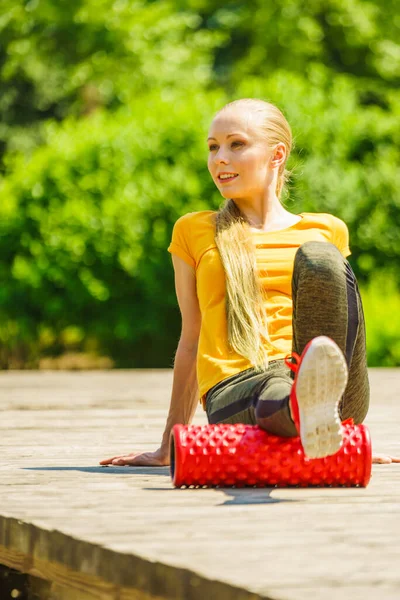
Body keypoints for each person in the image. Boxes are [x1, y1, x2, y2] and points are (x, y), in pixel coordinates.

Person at [100, 98, 399, 467]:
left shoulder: (325, 229)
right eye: (213, 147)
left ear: (277, 155)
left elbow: (344, 324)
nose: (219, 158)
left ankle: (325, 411)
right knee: (274, 387)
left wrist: (357, 441)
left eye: (236, 144)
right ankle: (304, 409)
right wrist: (168, 444)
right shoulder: (194, 230)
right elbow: (191, 340)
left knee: (320, 257)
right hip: (241, 386)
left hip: (334, 385)